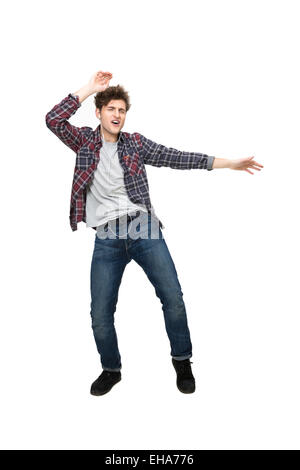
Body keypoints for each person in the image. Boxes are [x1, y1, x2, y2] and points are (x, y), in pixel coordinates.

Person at [45, 70, 263, 396]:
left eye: (122, 110)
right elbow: (53, 120)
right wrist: (90, 88)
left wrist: (228, 163)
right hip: (106, 236)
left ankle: (182, 362)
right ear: (99, 113)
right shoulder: (84, 142)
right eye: (111, 109)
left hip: (142, 228)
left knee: (172, 297)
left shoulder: (135, 143)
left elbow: (177, 157)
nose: (117, 115)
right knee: (100, 313)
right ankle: (111, 369)